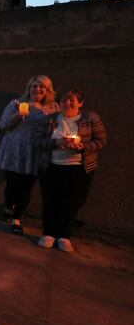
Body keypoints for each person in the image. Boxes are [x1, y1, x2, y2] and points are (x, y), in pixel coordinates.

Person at [37, 89, 106, 253]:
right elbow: (38, 141)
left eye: (71, 100)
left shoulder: (90, 118)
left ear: (80, 103)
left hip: (78, 169)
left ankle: (64, 236)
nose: (67, 103)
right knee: (50, 200)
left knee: (71, 202)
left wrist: (84, 146)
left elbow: (101, 141)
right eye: (63, 101)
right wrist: (55, 143)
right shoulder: (51, 119)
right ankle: (48, 233)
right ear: (58, 104)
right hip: (52, 166)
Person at [0, 75, 58, 234]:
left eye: (42, 87)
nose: (37, 89)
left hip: (35, 151)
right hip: (14, 149)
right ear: (29, 88)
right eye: (34, 86)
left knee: (26, 187)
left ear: (48, 90)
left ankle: (16, 219)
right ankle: (8, 206)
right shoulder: (17, 104)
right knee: (12, 185)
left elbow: (56, 129)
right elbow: (3, 124)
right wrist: (18, 115)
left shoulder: (53, 108)